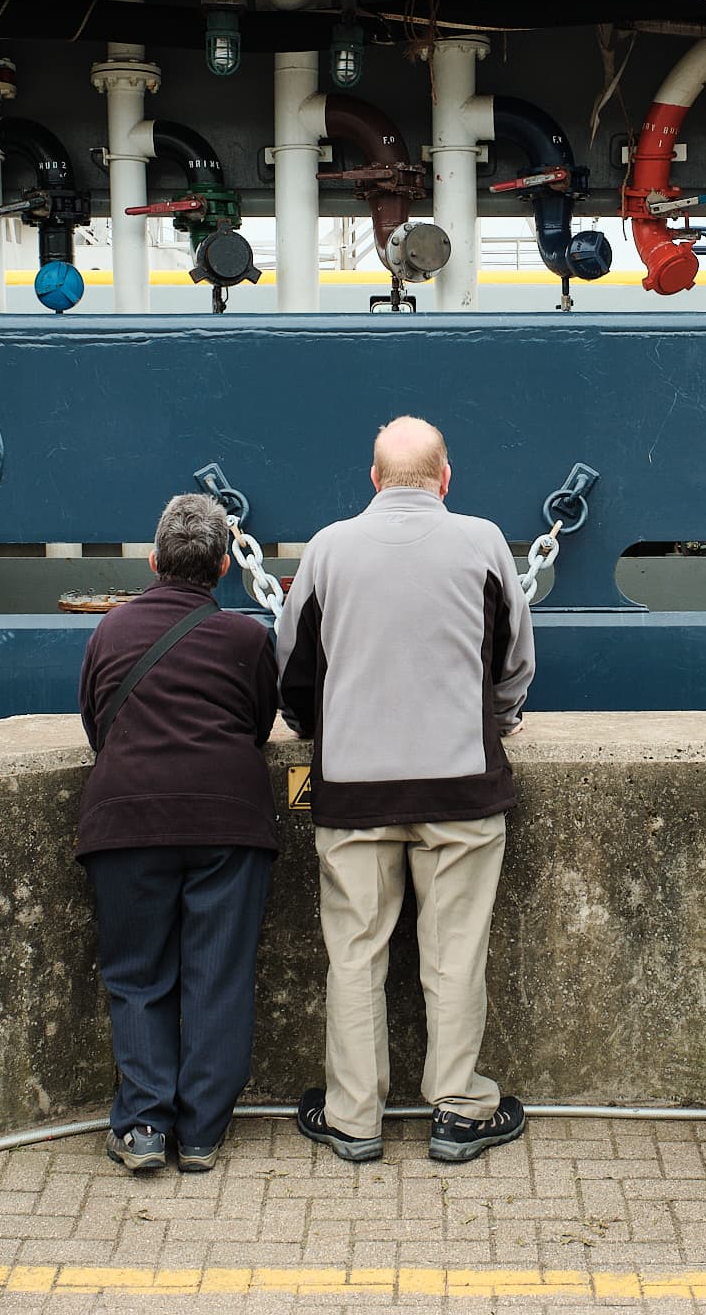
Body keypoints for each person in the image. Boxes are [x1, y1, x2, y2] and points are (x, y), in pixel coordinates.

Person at [275, 416, 536, 1164]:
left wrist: (311, 725)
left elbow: (292, 665)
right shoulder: (484, 543)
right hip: (461, 790)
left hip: (354, 791)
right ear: (445, 478)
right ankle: (457, 1112)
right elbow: (515, 659)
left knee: (354, 957)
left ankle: (354, 1119)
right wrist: (498, 720)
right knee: (454, 954)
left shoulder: (328, 549)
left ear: (374, 478)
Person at [76, 493, 279, 1174]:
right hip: (229, 821)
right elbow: (257, 725)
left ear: (154, 560)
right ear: (225, 566)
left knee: (137, 974)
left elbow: (95, 725)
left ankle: (141, 1127)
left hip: (125, 820)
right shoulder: (249, 639)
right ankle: (200, 1133)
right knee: (217, 973)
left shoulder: (108, 633)